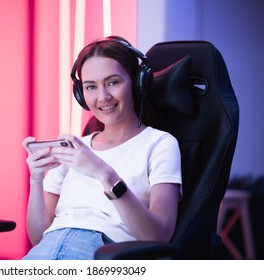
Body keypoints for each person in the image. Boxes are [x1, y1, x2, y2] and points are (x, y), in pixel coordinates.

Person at [21, 36, 182, 260]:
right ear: (81, 94)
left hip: (106, 253)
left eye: (113, 82)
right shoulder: (75, 149)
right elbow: (38, 237)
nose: (103, 97)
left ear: (137, 82)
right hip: (47, 249)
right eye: (91, 87)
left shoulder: (159, 144)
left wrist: (103, 173)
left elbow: (159, 237)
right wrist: (35, 180)